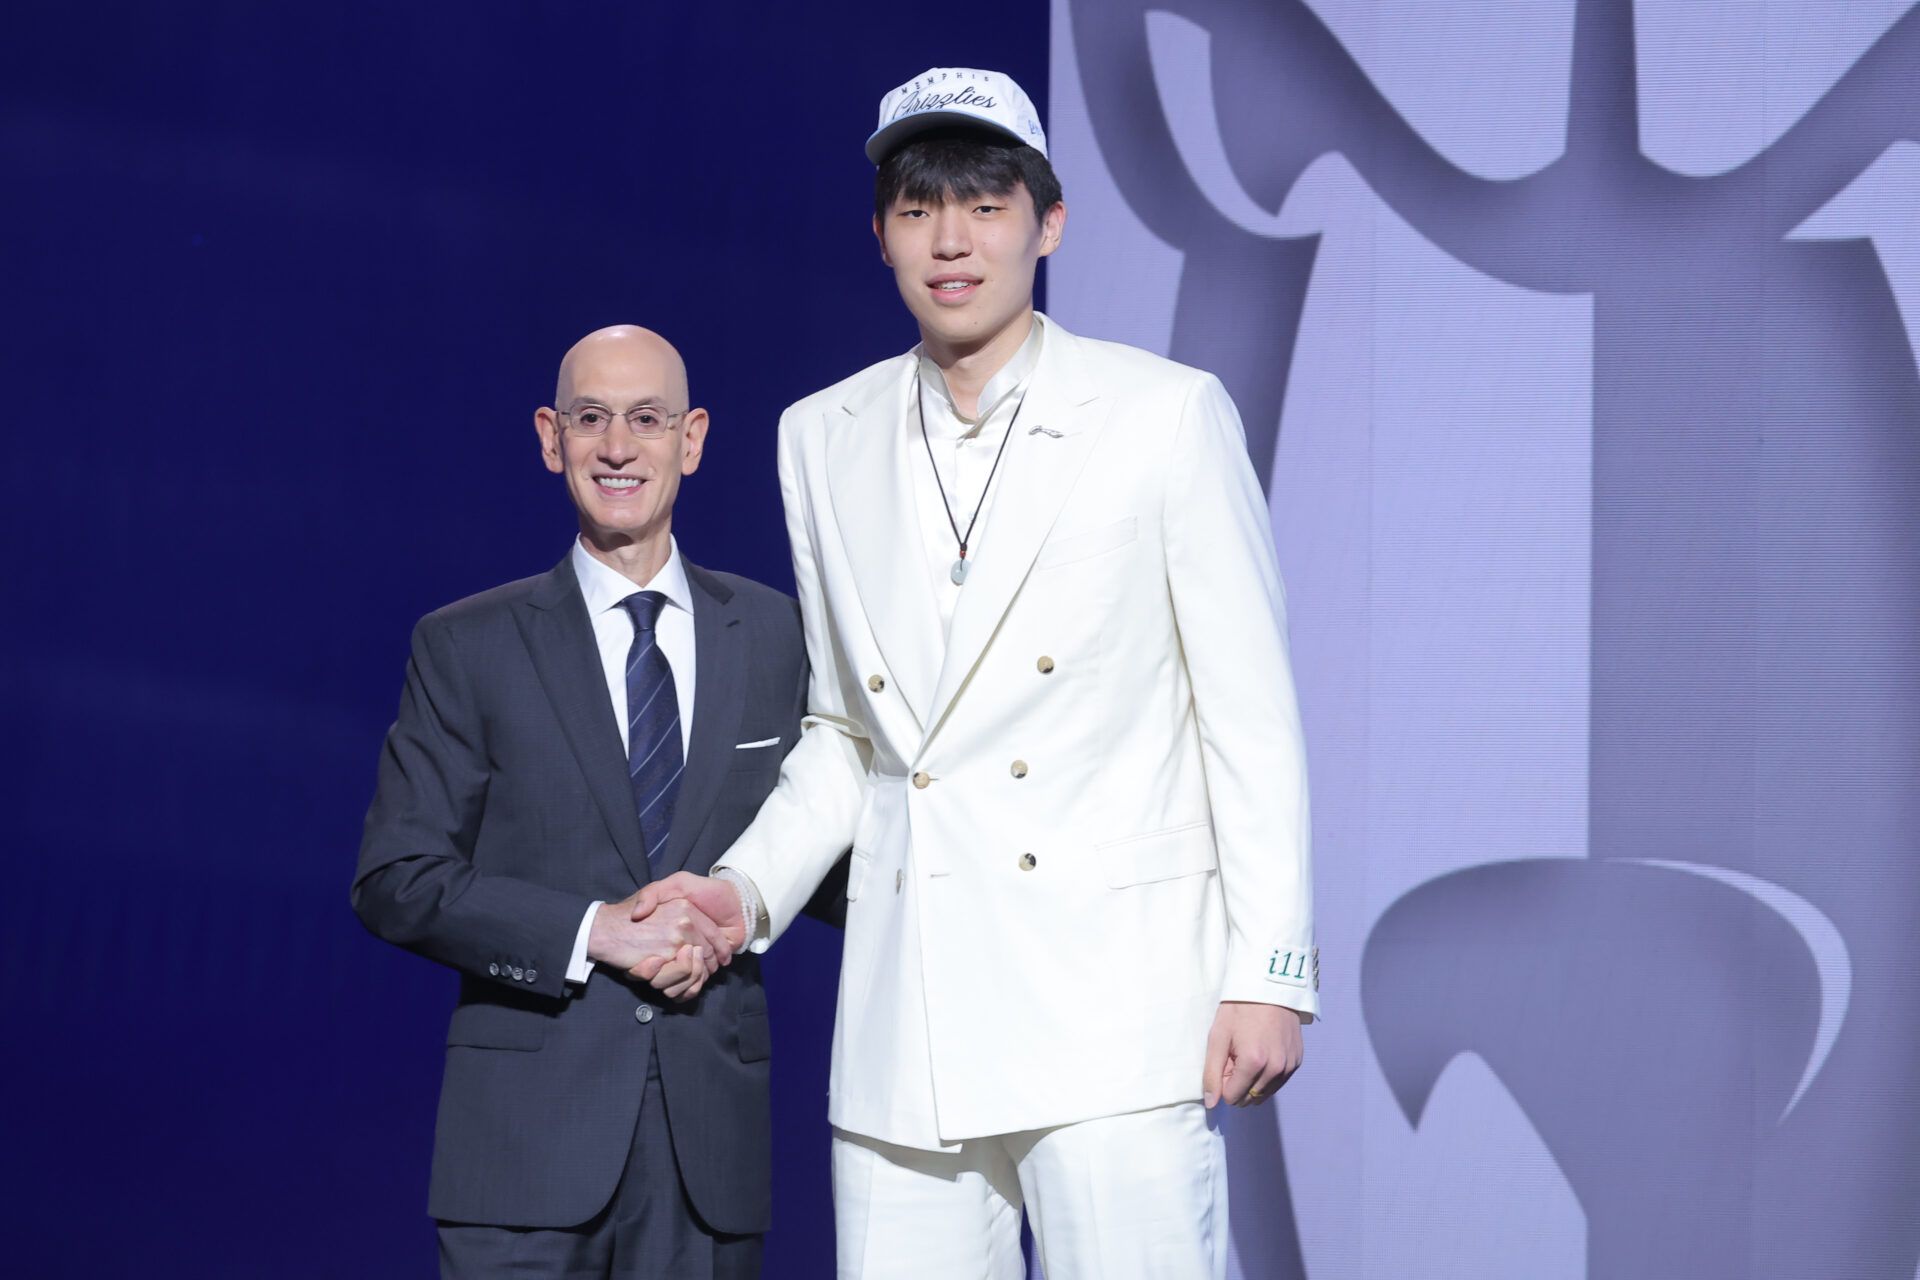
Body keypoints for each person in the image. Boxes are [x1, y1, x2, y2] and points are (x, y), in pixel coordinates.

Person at [637, 68, 1319, 1278]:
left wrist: (1269, 972)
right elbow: (847, 729)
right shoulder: (822, 433)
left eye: (986, 206)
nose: (951, 241)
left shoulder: (1162, 415)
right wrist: (745, 892)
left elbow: (1248, 715)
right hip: (910, 1018)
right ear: (882, 236)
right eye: (919, 210)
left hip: (1113, 1006)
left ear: (1048, 224)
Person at [353, 325, 840, 1279]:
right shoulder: (467, 644)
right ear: (552, 438)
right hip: (521, 1160)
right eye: (591, 419)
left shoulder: (776, 634)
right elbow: (397, 879)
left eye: (647, 419)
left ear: (691, 440)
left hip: (709, 1161)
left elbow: (822, 856)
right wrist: (592, 932)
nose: (619, 447)